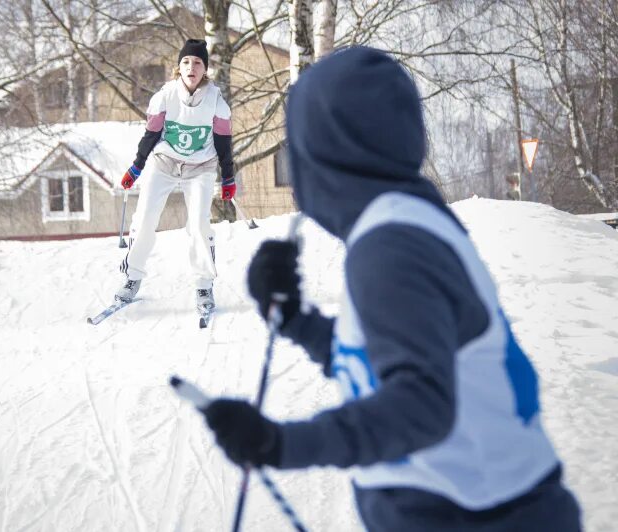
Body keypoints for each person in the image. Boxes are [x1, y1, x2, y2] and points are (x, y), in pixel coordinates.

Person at [202, 47, 581, 531]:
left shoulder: (392, 247)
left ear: (326, 153)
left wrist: (281, 444)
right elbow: (391, 356)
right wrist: (297, 322)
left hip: (483, 515)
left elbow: (420, 406)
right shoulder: (403, 220)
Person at [115, 39, 235, 311]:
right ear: (178, 67)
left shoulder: (217, 103)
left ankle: (204, 284)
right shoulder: (164, 97)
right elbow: (151, 135)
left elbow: (224, 144)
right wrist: (136, 167)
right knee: (144, 219)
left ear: (205, 69)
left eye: (197, 62)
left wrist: (228, 177)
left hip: (200, 167)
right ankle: (132, 277)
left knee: (199, 225)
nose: (191, 67)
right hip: (164, 162)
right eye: (185, 62)